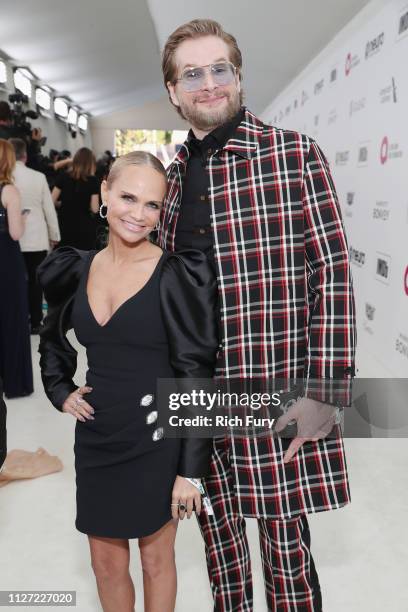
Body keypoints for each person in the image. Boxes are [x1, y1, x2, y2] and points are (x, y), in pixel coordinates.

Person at [159, 19, 357, 611]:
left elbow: (333, 273)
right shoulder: (169, 182)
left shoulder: (293, 154)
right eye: (192, 73)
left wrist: (326, 391)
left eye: (220, 68)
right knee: (218, 547)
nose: (209, 83)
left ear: (239, 77)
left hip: (275, 391)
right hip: (196, 397)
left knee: (286, 554)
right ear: (173, 91)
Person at [37, 151, 218, 612]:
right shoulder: (76, 267)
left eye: (152, 205)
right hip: (97, 436)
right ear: (104, 194)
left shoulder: (177, 274)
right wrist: (60, 390)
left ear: (164, 211)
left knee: (157, 560)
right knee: (104, 565)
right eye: (128, 197)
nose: (138, 214)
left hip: (157, 437)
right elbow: (52, 338)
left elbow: (197, 374)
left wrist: (190, 472)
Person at [9, 138, 60, 334]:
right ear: (25, 155)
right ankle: (36, 321)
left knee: (14, 280)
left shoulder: (4, 176)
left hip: (12, 238)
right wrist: (54, 234)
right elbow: (48, 208)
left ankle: (17, 319)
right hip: (36, 237)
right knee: (35, 281)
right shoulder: (38, 177)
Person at [0, 139, 33, 398]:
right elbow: (14, 233)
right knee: (11, 318)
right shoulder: (9, 190)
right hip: (6, 261)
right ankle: (14, 382)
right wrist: (21, 218)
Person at [51, 147, 99, 250]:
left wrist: (63, 203)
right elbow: (95, 208)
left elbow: (51, 201)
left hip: (64, 224)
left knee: (64, 257)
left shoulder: (63, 176)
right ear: (91, 163)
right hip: (84, 227)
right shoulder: (93, 181)